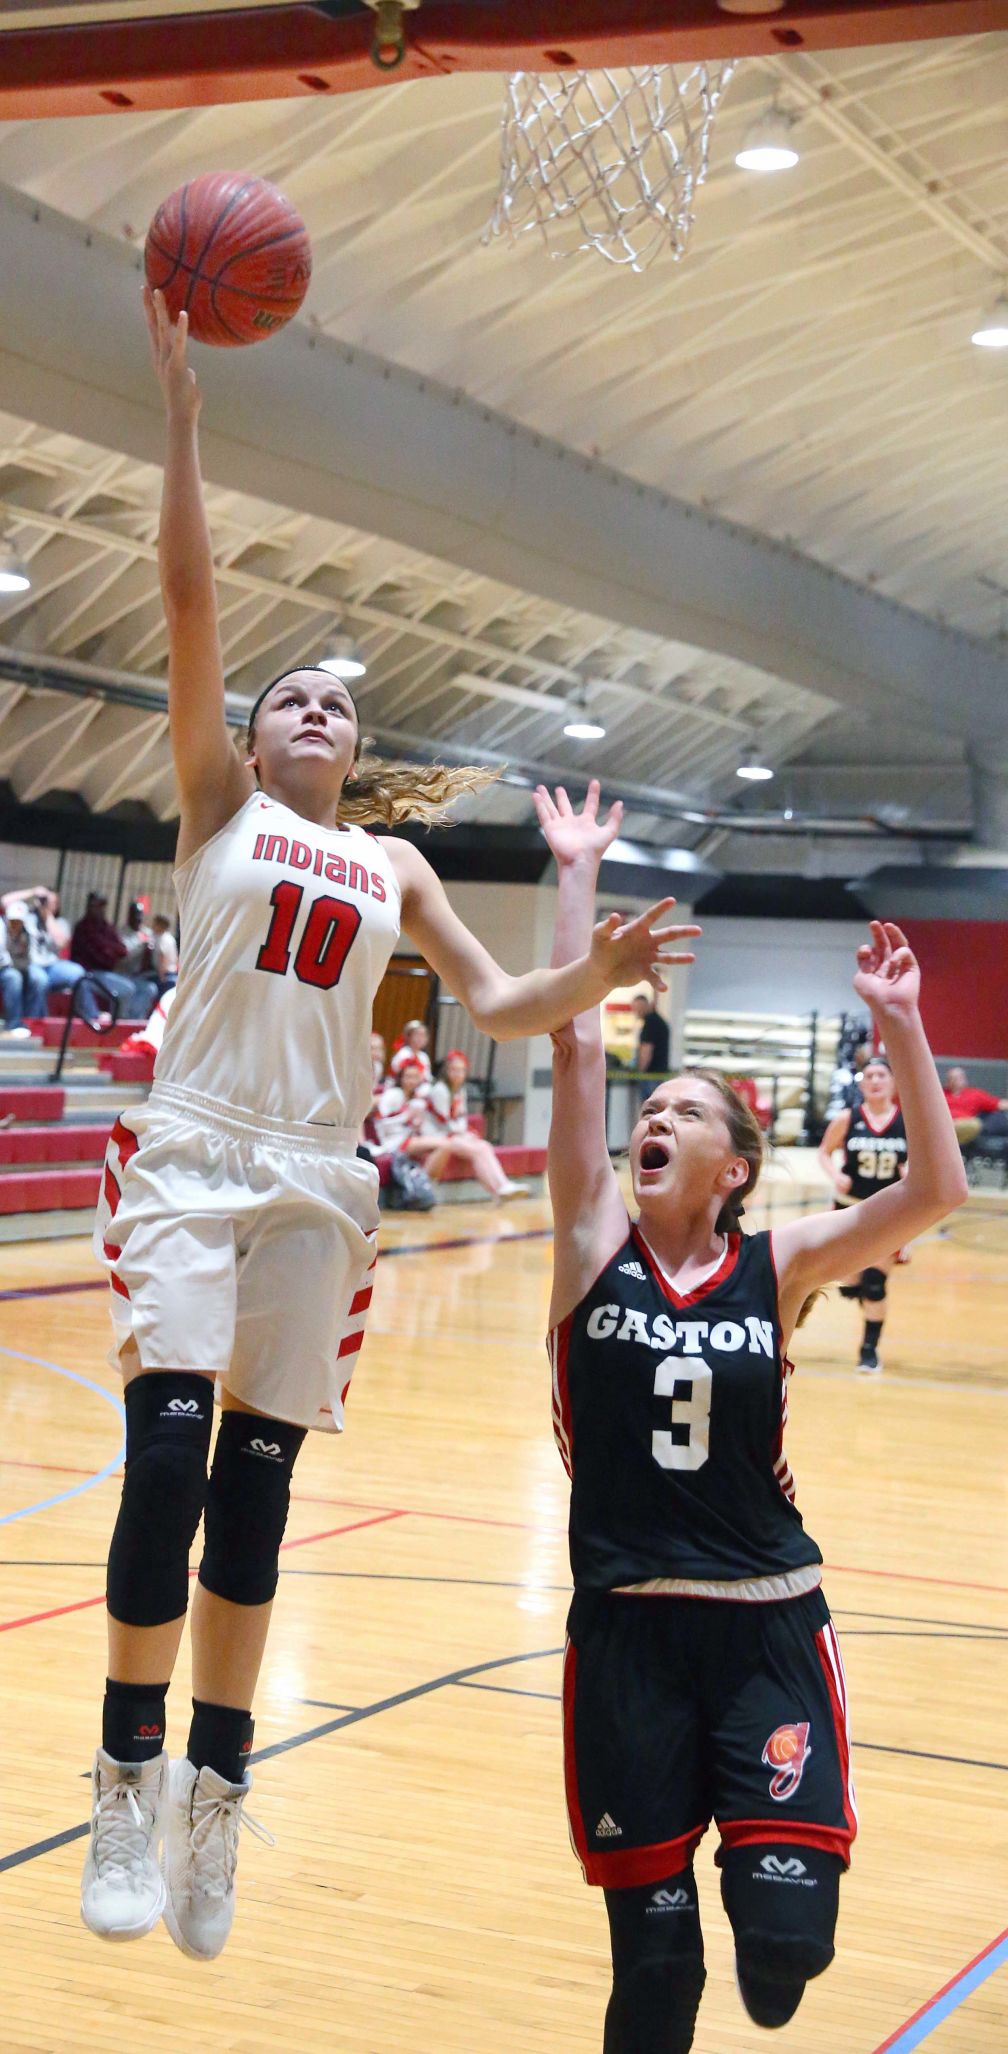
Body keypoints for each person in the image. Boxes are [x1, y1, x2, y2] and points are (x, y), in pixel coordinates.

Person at [80, 285, 684, 1964]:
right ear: (255, 734)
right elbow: (192, 597)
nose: (317, 711)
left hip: (318, 1188)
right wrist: (187, 417)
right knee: (160, 1473)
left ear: (363, 751)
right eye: (293, 699)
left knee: (255, 1508)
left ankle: (215, 1791)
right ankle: (125, 1772)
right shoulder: (218, 807)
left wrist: (599, 964)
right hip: (197, 1156)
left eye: (341, 705)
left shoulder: (396, 867)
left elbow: (495, 1008)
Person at [533, 779, 966, 2054]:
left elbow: (936, 1186)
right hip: (625, 1633)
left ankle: (766, 1893)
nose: (649, 1120)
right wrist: (574, 877)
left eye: (682, 1115)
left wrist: (902, 1030)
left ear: (734, 1168)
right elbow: (566, 1045)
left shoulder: (776, 1265)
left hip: (767, 1623)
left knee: (782, 1963)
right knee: (657, 1970)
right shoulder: (587, 1244)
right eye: (646, 1112)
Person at [816, 1055, 908, 1373]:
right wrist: (834, 1174)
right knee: (848, 1281)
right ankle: (855, 1289)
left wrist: (910, 1172)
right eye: (869, 1076)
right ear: (863, 1083)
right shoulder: (848, 1117)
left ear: (893, 1082)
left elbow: (920, 1164)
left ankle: (868, 1350)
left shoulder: (906, 1120)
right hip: (849, 1207)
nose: (875, 1081)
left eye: (882, 1075)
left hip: (888, 1212)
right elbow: (824, 1153)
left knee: (874, 1284)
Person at [410, 1048, 529, 1200]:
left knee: (484, 1146)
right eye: (453, 1070)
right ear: (446, 1071)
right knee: (477, 1149)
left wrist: (464, 1132)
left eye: (461, 1070)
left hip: (451, 1134)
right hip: (437, 1136)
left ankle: (502, 1185)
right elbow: (445, 1121)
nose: (457, 1074)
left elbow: (461, 1117)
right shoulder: (440, 1090)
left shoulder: (460, 1090)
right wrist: (462, 1133)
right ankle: (497, 1189)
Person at [71, 891, 157, 1020]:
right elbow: (102, 956)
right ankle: (118, 1024)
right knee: (126, 988)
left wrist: (111, 951)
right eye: (96, 905)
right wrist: (111, 952)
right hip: (90, 973)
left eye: (102, 905)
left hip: (109, 973)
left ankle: (133, 1023)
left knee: (149, 988)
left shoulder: (106, 927)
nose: (100, 909)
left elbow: (120, 950)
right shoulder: (83, 927)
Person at [0, 908, 46, 1038]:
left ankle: (32, 1024)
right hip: (4, 969)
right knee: (13, 978)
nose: (15, 924)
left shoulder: (29, 931)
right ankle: (13, 1025)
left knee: (39, 978)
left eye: (18, 921)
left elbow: (31, 959)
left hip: (19, 966)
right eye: (12, 921)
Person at [942, 1064, 1008, 1145]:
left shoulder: (974, 1094)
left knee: (975, 1124)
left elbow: (1000, 1104)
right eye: (951, 1078)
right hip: (944, 1124)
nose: (954, 1080)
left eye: (958, 1078)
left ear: (964, 1080)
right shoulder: (939, 1094)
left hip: (965, 1125)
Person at [632, 989, 669, 1087]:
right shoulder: (658, 1020)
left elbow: (646, 1050)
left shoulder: (650, 1023)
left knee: (648, 1100)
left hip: (651, 1074)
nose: (636, 1012)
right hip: (658, 1073)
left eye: (637, 1009)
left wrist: (640, 1072)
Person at [390, 1017, 432, 1083]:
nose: (420, 1038)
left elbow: (427, 1077)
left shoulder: (424, 1056)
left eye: (423, 1035)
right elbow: (397, 1074)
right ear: (409, 1036)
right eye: (418, 1034)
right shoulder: (403, 1053)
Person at [150, 913, 179, 992]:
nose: (152, 926)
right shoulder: (170, 938)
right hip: (172, 972)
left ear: (161, 925)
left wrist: (161, 976)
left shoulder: (162, 939)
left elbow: (162, 957)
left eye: (155, 923)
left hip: (164, 974)